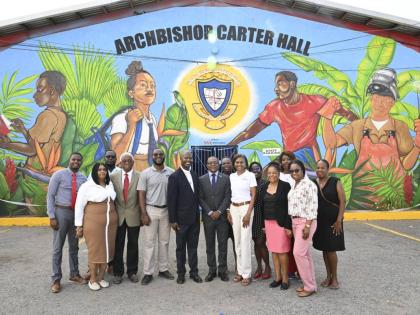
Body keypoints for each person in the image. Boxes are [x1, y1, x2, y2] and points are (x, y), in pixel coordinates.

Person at [323, 68, 420, 203]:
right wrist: (328, 116)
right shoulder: (357, 126)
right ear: (371, 98)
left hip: (394, 197)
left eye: (385, 98)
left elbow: (407, 165)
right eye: (376, 97)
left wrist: (417, 146)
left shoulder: (399, 126)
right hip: (361, 199)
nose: (380, 102)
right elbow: (330, 143)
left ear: (392, 101)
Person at [229, 71, 355, 164]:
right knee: (267, 174)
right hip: (289, 155)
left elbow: (346, 113)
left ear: (292, 84)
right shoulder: (274, 107)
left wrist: (364, 127)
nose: (276, 89)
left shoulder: (315, 101)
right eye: (276, 85)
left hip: (308, 153)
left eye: (280, 84)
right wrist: (229, 145)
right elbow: (248, 133)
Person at [0, 71, 67, 170]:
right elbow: (37, 144)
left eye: (40, 90)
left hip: (34, 175)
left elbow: (32, 150)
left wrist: (7, 145)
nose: (34, 95)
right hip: (43, 173)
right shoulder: (61, 115)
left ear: (52, 91)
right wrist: (23, 130)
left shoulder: (48, 115)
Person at [46, 152, 87, 293]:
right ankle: (56, 279)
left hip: (76, 214)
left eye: (78, 160)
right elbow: (50, 196)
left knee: (74, 246)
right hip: (61, 212)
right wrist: (52, 216)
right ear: (69, 161)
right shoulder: (58, 175)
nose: (76, 161)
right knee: (57, 248)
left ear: (81, 162)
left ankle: (74, 274)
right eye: (73, 159)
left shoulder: (83, 178)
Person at [75, 163, 118, 291]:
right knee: (95, 251)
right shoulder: (87, 186)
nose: (102, 171)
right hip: (93, 223)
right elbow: (79, 206)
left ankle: (101, 277)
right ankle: (93, 279)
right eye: (99, 169)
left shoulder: (109, 184)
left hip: (110, 225)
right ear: (94, 171)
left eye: (104, 169)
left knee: (107, 250)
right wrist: (79, 226)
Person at [138, 148, 175, 285]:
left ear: (164, 156)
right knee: (149, 242)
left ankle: (163, 269)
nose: (158, 156)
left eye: (160, 154)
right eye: (155, 154)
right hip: (151, 210)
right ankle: (148, 272)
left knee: (164, 242)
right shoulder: (145, 174)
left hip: (166, 211)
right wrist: (143, 213)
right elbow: (141, 194)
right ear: (152, 156)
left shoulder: (171, 172)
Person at [168, 150, 202, 284]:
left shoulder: (194, 174)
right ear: (180, 159)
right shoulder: (174, 176)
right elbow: (171, 200)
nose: (188, 160)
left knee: (193, 247)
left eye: (190, 158)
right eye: (185, 158)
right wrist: (173, 220)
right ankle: (181, 273)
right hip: (181, 220)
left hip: (194, 219)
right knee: (180, 248)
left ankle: (194, 272)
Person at [313, 159, 346, 289]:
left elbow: (342, 201)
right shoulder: (313, 183)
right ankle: (328, 276)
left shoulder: (335, 182)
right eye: (318, 168)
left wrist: (339, 220)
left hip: (333, 222)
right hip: (319, 221)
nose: (320, 170)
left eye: (322, 168)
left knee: (331, 250)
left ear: (328, 169)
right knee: (324, 249)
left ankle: (335, 278)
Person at [288, 160, 318, 297]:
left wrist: (307, 226)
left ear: (303, 171)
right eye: (292, 171)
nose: (294, 173)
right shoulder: (295, 185)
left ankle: (309, 286)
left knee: (298, 253)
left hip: (305, 222)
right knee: (305, 254)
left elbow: (313, 206)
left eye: (297, 170)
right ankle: (310, 284)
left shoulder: (309, 185)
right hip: (295, 222)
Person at [110, 153, 141, 284]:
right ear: (120, 163)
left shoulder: (140, 176)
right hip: (118, 216)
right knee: (118, 245)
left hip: (134, 215)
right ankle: (118, 273)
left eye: (129, 160)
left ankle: (132, 272)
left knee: (133, 245)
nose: (127, 162)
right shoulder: (112, 177)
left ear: (133, 163)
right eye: (124, 160)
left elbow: (142, 196)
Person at [199, 156, 231, 282]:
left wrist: (219, 211)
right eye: (210, 163)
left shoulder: (226, 178)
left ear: (218, 164)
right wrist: (210, 211)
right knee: (209, 245)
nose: (212, 164)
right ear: (207, 165)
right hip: (208, 218)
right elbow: (200, 198)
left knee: (223, 244)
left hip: (222, 217)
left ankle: (222, 270)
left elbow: (228, 196)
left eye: (215, 162)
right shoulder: (201, 179)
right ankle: (211, 270)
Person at [260, 163, 292, 290]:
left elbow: (290, 207)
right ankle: (277, 277)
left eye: (274, 173)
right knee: (273, 251)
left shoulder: (285, 186)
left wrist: (288, 226)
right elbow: (262, 208)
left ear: (278, 173)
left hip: (281, 224)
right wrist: (263, 225)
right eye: (269, 173)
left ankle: (285, 279)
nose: (271, 175)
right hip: (269, 224)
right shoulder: (263, 187)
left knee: (283, 252)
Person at [228, 154, 257, 286]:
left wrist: (248, 213)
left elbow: (254, 195)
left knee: (245, 241)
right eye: (237, 162)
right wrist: (229, 210)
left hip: (246, 207)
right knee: (237, 241)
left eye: (242, 162)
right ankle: (239, 271)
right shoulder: (231, 176)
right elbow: (231, 194)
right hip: (234, 208)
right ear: (234, 164)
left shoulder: (250, 175)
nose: (239, 164)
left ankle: (246, 273)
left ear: (246, 163)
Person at [277, 151, 299, 280]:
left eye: (288, 159)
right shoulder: (279, 175)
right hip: (284, 213)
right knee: (287, 244)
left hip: (296, 213)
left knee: (298, 244)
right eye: (283, 160)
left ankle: (300, 270)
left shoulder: (297, 175)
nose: (286, 161)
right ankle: (290, 270)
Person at [249, 161, 271, 280]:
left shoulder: (265, 183)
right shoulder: (249, 183)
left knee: (261, 243)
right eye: (253, 169)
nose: (255, 170)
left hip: (262, 216)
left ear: (261, 170)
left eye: (257, 168)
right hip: (252, 216)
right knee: (256, 244)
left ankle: (267, 267)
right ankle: (259, 267)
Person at [221, 157, 237, 272]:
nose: (226, 165)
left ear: (232, 164)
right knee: (223, 244)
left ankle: (239, 266)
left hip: (236, 214)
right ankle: (223, 267)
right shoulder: (219, 178)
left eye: (228, 163)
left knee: (237, 243)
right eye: (224, 163)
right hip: (223, 217)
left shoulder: (237, 176)